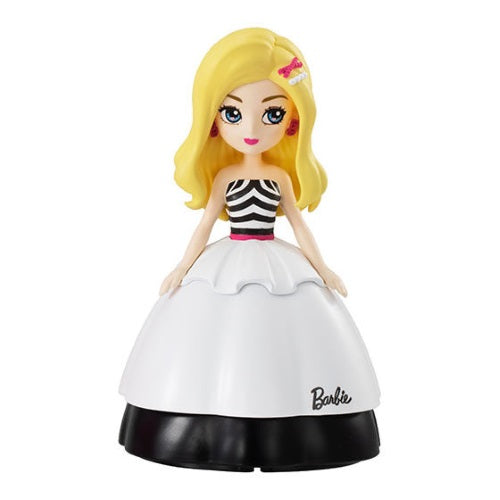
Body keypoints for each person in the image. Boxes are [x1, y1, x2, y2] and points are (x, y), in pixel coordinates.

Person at [119, 27, 381, 472]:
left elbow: (299, 224)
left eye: (272, 113)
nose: (253, 129)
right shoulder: (224, 179)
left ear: (293, 119)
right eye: (233, 113)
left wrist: (324, 269)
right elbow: (205, 225)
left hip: (278, 258)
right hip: (226, 257)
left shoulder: (279, 179)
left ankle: (300, 422)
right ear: (214, 119)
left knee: (296, 338)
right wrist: (182, 267)